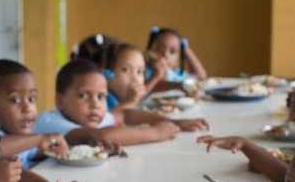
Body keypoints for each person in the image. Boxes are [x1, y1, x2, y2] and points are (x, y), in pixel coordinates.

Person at [34, 59, 198, 149]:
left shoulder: (92, 116)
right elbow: (99, 136)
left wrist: (172, 122)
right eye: (83, 96)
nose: (95, 104)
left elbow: (126, 114)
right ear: (60, 101)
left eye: (101, 96)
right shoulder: (50, 122)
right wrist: (156, 132)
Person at [0, 59, 69, 169]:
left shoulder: (20, 137)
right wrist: (40, 139)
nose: (27, 108)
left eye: (31, 99)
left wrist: (50, 149)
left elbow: (30, 154)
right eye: (15, 100)